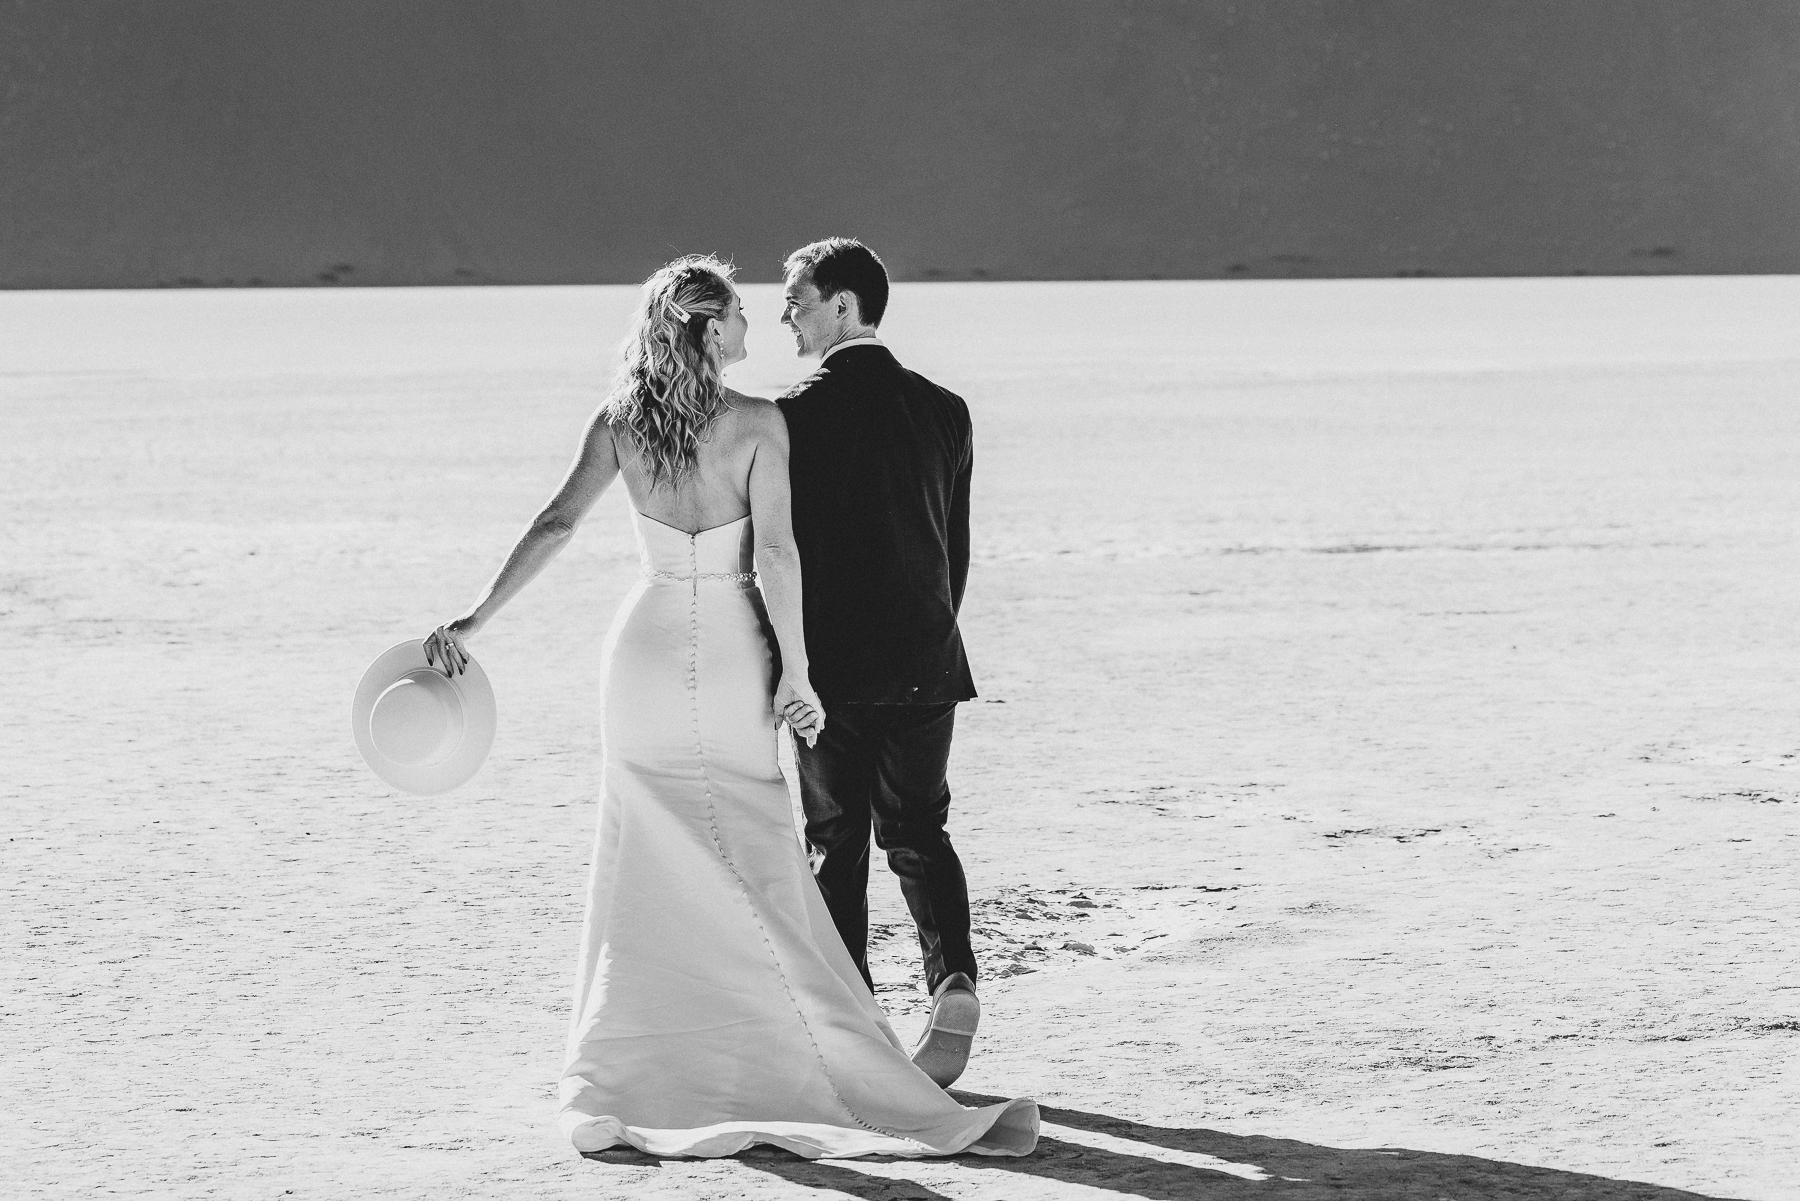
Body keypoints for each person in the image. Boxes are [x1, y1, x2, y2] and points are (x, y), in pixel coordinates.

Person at [421, 255, 1036, 1158]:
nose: (761, 323)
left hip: (642, 651)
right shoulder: (765, 422)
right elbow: (784, 557)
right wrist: (794, 676)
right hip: (760, 653)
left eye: (778, 305)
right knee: (776, 840)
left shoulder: (625, 421)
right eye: (742, 312)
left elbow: (555, 523)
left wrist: (474, 619)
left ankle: (637, 1055)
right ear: (710, 330)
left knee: (650, 843)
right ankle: (837, 1031)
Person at [775, 239, 983, 1088]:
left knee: (836, 843)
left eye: (797, 299)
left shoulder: (789, 415)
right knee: (919, 829)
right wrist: (926, 640)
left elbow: (778, 555)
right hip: (928, 660)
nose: (786, 314)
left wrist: (782, 666)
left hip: (829, 673)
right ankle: (954, 981)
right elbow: (953, 556)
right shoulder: (946, 409)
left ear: (844, 306)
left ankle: (855, 1029)